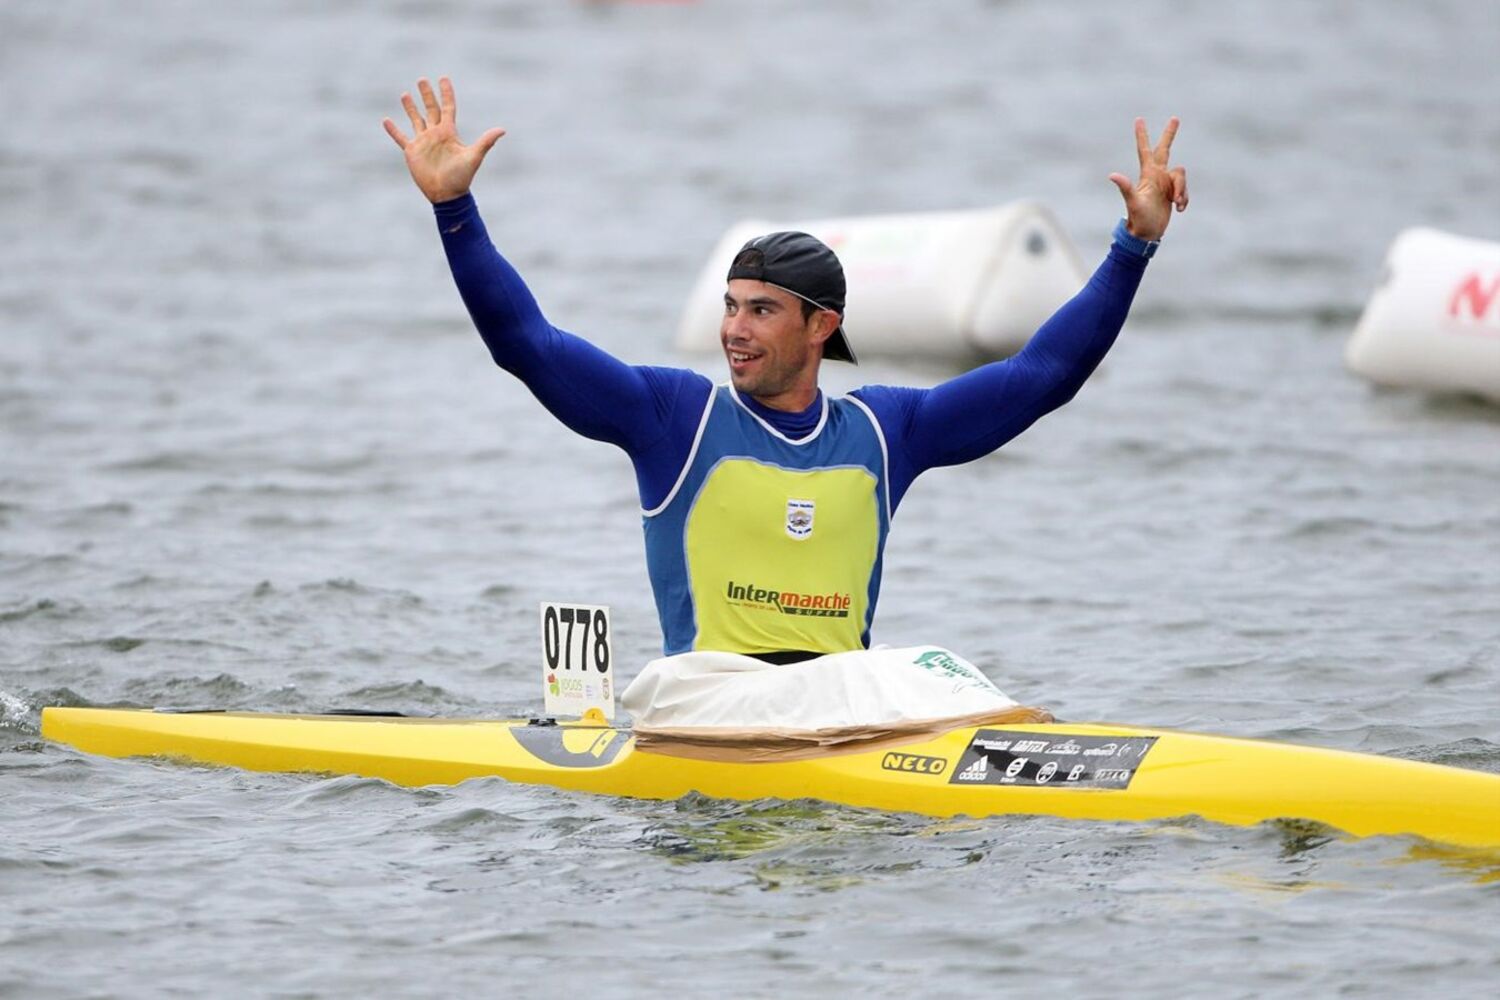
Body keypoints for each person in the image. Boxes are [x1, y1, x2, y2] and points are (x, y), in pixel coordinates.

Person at [383, 77, 1188, 665]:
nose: (734, 329)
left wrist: (1134, 246)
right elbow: (527, 343)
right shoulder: (673, 419)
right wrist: (454, 210)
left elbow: (1043, 374)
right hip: (705, 717)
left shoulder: (887, 432)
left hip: (842, 718)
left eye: (762, 310)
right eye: (731, 306)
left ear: (821, 327)